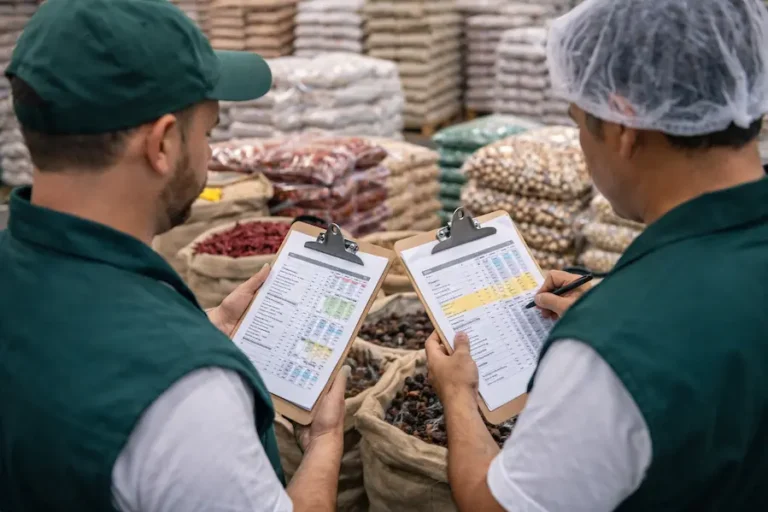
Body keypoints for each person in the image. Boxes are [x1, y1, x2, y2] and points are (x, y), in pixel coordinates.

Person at [0, 0, 347, 511]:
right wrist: (326, 441)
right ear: (162, 144)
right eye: (208, 132)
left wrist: (202, 325)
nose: (209, 153)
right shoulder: (186, 396)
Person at [425, 0, 768, 510]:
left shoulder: (609, 350)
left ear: (625, 127)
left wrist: (457, 394)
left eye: (580, 122)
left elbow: (493, 504)